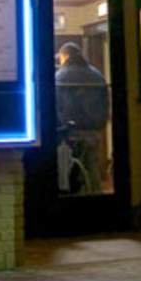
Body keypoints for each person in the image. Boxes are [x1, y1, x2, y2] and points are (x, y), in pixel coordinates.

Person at [55, 43, 110, 193]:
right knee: (92, 168)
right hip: (94, 131)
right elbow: (105, 103)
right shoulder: (97, 75)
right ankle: (95, 196)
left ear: (65, 56)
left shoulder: (60, 76)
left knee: (71, 171)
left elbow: (57, 106)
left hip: (71, 132)